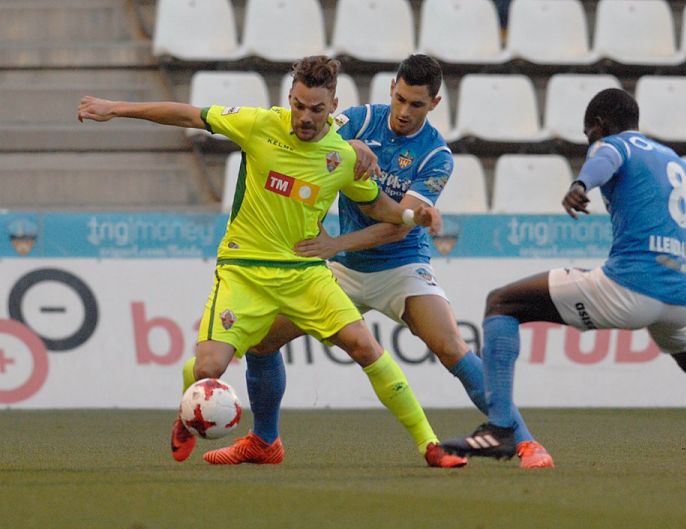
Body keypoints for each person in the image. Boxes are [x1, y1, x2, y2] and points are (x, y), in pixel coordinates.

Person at [77, 55, 465, 469]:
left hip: (304, 274)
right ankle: (188, 413)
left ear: (333, 107)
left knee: (364, 346)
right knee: (209, 368)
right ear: (289, 99)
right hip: (244, 271)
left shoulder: (343, 156)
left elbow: (381, 207)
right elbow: (188, 114)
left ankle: (430, 445)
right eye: (298, 105)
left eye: (316, 109)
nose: (305, 117)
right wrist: (115, 108)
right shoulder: (259, 124)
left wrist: (412, 216)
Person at [203, 54, 553, 469]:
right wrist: (348, 144)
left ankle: (526, 441)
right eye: (401, 99)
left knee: (450, 346)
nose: (405, 112)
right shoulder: (359, 120)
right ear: (391, 89)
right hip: (343, 270)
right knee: (262, 341)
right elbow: (315, 132)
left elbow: (398, 225)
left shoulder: (436, 156)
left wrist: (336, 245)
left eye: (417, 105)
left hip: (401, 268)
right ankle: (264, 441)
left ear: (435, 104)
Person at [441, 88, 686, 475]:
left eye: (588, 134)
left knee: (501, 304)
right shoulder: (674, 160)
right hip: (682, 294)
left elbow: (605, 156)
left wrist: (580, 185)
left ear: (599, 126)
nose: (590, 143)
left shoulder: (611, 144)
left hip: (631, 285)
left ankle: (502, 428)